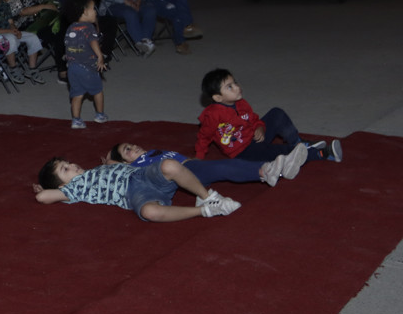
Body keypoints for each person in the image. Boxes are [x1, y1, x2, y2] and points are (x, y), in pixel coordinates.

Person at [34, 155, 242, 223]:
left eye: (68, 162)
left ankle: (206, 196)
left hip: (138, 175)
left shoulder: (94, 170)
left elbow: (119, 165)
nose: (72, 166)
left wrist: (110, 162)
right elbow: (43, 197)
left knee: (169, 164)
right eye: (65, 169)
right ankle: (206, 210)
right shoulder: (73, 190)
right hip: (133, 193)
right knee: (149, 212)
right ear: (62, 185)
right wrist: (43, 189)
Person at [195, 68, 341, 164]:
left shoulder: (242, 104)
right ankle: (321, 154)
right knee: (278, 152)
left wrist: (259, 127)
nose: (237, 87)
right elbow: (204, 136)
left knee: (276, 113)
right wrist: (198, 158)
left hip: (255, 138)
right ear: (218, 98)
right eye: (229, 87)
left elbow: (254, 119)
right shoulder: (212, 115)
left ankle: (297, 142)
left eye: (235, 83)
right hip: (243, 153)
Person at [107, 141, 306, 189]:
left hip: (192, 165)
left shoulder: (151, 153)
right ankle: (266, 170)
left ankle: (276, 168)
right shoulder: (135, 166)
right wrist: (109, 160)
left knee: (229, 165)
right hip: (185, 173)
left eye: (131, 144)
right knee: (225, 168)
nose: (133, 147)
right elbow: (113, 168)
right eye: (128, 150)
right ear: (125, 161)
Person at [61, 0, 108, 128]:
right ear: (85, 12)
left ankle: (76, 120)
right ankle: (100, 115)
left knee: (77, 94)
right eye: (93, 9)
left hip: (72, 68)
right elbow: (93, 42)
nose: (95, 12)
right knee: (98, 91)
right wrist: (100, 56)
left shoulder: (70, 28)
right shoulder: (88, 27)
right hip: (88, 68)